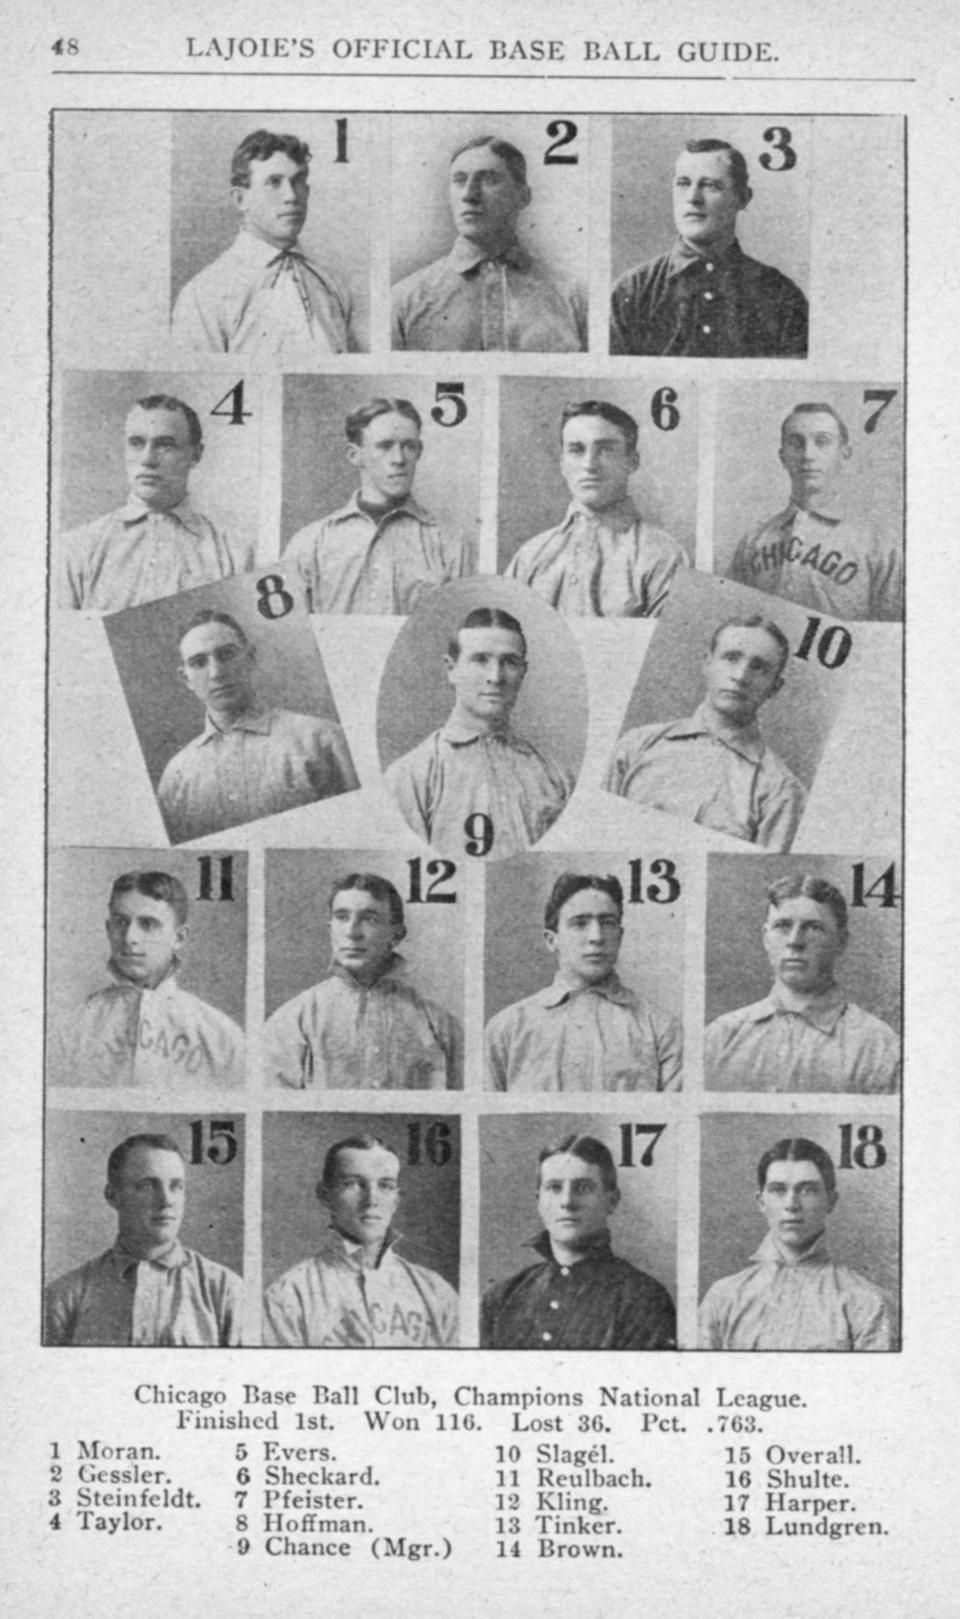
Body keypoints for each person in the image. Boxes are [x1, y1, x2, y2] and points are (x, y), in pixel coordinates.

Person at [604, 614, 806, 850]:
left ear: (775, 687)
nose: (740, 676)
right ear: (707, 663)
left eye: (758, 667)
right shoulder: (636, 745)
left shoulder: (781, 791)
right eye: (731, 658)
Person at [384, 606, 573, 857]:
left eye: (509, 662)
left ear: (523, 672)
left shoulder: (556, 777)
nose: (495, 677)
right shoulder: (411, 775)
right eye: (480, 660)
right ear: (451, 668)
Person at [157, 609, 359, 842]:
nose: (216, 672)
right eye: (199, 663)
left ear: (251, 657)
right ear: (185, 678)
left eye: (227, 654)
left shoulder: (320, 739)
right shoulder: (176, 774)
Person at [610, 138, 808, 358]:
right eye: (683, 183)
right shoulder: (632, 291)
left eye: (710, 185)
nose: (693, 198)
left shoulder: (780, 295)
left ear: (742, 198)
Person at [171, 129, 356, 363]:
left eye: (298, 181)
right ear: (241, 199)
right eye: (273, 182)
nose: (291, 196)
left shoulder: (333, 285)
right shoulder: (204, 294)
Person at [48, 870, 245, 1088]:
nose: (130, 938)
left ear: (179, 938)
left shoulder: (220, 1036)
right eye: (121, 922)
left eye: (148, 924)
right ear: (108, 928)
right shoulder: (71, 1029)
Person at [485, 873, 681, 1091]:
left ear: (620, 935)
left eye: (608, 923)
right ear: (552, 940)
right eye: (579, 923)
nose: (596, 936)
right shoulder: (506, 1029)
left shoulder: (661, 1028)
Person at [705, 873, 900, 1093]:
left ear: (841, 942)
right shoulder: (721, 1036)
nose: (794, 941)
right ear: (765, 938)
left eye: (814, 927)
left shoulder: (879, 1047)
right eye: (782, 926)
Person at [264, 872, 461, 1089]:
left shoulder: (438, 1023)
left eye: (369, 919)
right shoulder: (294, 1020)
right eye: (342, 917)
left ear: (396, 934)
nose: (352, 932)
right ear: (330, 929)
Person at [392, 135, 587, 353]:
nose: (469, 194)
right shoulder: (403, 300)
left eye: (489, 180)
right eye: (459, 180)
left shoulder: (574, 295)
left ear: (523, 196)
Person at [44, 1133, 242, 1346]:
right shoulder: (64, 1297)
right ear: (112, 1196)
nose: (166, 1201)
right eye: (147, 1186)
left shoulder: (225, 1290)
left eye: (176, 1186)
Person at [480, 1135, 675, 1349]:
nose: (567, 1202)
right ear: (539, 1201)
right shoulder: (502, 1297)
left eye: (583, 1188)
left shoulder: (644, 1299)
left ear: (611, 1201)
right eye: (554, 1188)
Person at [60, 395, 253, 612]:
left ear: (195, 455)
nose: (147, 459)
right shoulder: (78, 548)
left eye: (165, 445)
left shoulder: (233, 553)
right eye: (136, 443)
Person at [263, 1135, 459, 1347]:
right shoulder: (289, 1295)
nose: (371, 1200)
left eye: (385, 1185)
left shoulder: (436, 1291)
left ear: (396, 1200)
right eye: (353, 1184)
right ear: (324, 1195)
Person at [698, 1138, 894, 1350]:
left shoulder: (869, 1302)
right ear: (761, 1202)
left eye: (807, 1190)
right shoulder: (722, 1297)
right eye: (778, 1190)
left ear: (831, 1201)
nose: (791, 1205)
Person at [284, 398, 469, 613]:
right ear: (354, 455)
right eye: (385, 446)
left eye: (409, 446)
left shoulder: (450, 544)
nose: (399, 458)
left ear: (419, 452)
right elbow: (287, 637)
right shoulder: (310, 543)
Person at [506, 401, 688, 616]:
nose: (589, 464)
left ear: (632, 461)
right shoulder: (530, 556)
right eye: (576, 450)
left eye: (605, 450)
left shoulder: (662, 555)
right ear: (563, 464)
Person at [726, 402, 903, 620]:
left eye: (822, 442)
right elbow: (734, 623)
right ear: (783, 457)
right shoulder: (754, 541)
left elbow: (891, 637)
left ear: (844, 454)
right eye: (796, 443)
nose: (808, 454)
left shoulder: (878, 541)